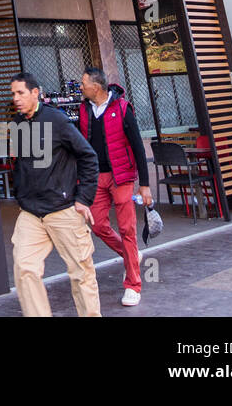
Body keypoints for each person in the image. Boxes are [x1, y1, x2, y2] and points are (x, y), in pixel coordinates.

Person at [9, 71, 101, 317]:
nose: (16, 98)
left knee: (81, 272)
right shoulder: (17, 124)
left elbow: (88, 156)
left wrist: (83, 199)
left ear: (35, 93)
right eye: (13, 94)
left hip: (62, 209)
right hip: (31, 213)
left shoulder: (57, 120)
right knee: (24, 268)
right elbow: (21, 163)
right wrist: (21, 193)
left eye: (21, 93)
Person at [79, 67, 152, 307]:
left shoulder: (122, 108)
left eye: (84, 83)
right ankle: (130, 255)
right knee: (98, 224)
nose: (81, 87)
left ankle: (133, 285)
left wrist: (145, 184)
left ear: (96, 87)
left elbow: (138, 147)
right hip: (97, 177)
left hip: (121, 177)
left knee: (127, 229)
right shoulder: (85, 110)